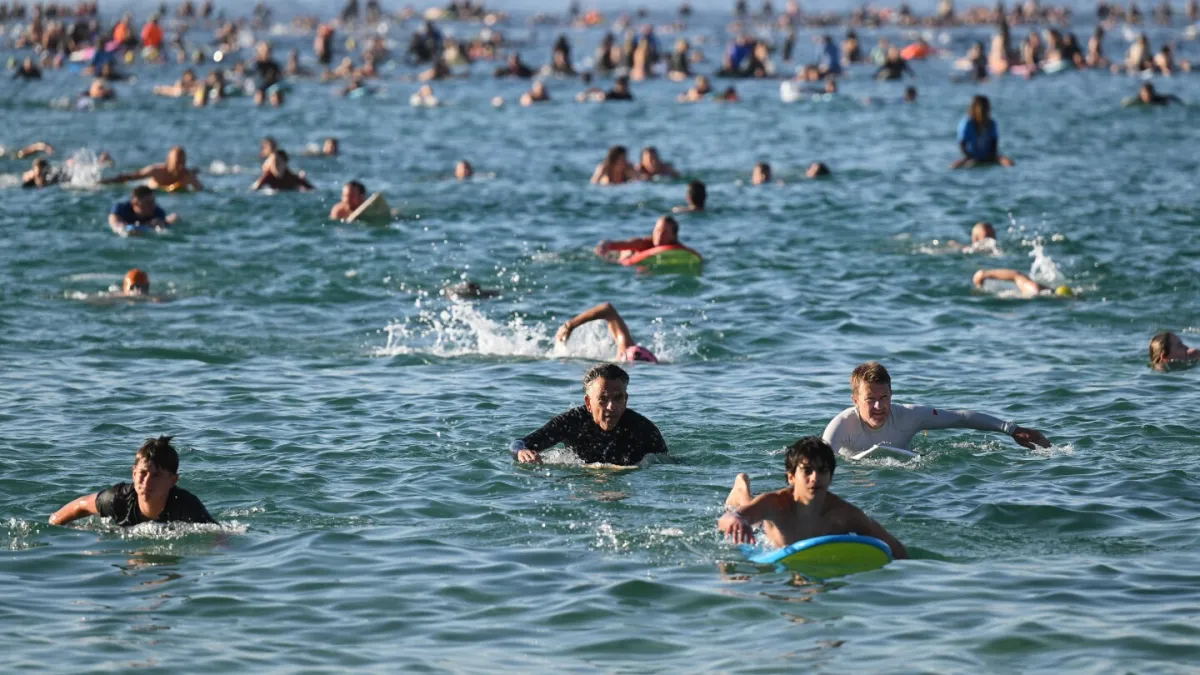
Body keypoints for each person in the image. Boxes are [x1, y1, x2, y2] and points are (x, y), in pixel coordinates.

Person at [718, 436, 908, 557]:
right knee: (753, 517)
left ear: (831, 477)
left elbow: (892, 546)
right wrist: (735, 519)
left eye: (823, 471)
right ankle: (741, 487)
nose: (815, 477)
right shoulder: (775, 503)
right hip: (769, 535)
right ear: (791, 477)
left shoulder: (843, 513)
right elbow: (725, 520)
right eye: (807, 471)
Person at [822, 362, 1050, 455]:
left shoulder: (908, 416)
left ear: (892, 395)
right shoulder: (841, 427)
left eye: (884, 397)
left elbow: (960, 418)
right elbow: (818, 467)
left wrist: (1011, 429)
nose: (879, 406)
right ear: (855, 400)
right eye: (870, 399)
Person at [509, 364, 667, 466]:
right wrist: (522, 453)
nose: (611, 407)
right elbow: (519, 443)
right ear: (588, 403)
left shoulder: (643, 429)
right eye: (603, 399)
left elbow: (667, 464)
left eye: (618, 398)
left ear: (626, 400)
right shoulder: (572, 422)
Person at [49, 435, 216, 527]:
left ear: (173, 481)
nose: (147, 482)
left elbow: (218, 536)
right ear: (133, 474)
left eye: (156, 476)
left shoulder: (186, 506)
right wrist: (53, 526)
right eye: (142, 473)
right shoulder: (117, 499)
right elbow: (82, 505)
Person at [556, 302, 658, 363]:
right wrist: (570, 325)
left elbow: (607, 308)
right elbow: (607, 308)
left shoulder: (627, 352)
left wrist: (569, 325)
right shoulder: (627, 349)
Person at [595, 215, 699, 261]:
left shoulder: (677, 247)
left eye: (665, 232)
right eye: (657, 231)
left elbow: (694, 256)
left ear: (673, 235)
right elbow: (615, 245)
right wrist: (605, 245)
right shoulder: (644, 243)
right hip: (621, 258)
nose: (660, 236)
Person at [101, 146, 203, 192]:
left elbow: (201, 190)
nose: (180, 166)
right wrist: (106, 182)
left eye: (183, 162)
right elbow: (131, 177)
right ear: (168, 161)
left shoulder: (187, 175)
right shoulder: (156, 171)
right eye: (177, 162)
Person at [951, 95, 1014, 169]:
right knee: (953, 167)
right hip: (971, 157)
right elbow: (962, 145)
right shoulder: (967, 123)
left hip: (989, 156)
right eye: (982, 109)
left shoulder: (992, 123)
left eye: (986, 109)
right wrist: (970, 157)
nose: (984, 112)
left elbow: (994, 144)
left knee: (1009, 163)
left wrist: (990, 157)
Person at [109, 186, 178, 234]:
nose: (152, 206)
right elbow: (116, 224)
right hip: (133, 224)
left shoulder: (158, 212)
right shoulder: (121, 209)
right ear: (135, 203)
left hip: (145, 225)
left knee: (173, 218)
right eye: (148, 203)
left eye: (153, 202)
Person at [973, 268, 1073, 297]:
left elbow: (1016, 275)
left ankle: (983, 274)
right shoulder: (1036, 289)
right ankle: (983, 274)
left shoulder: (1035, 289)